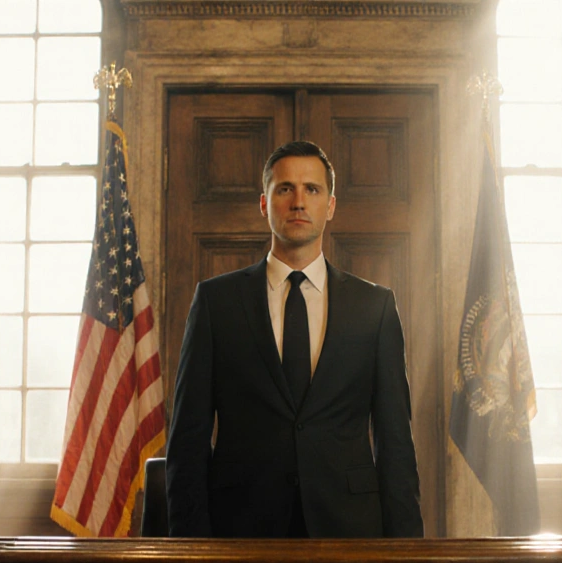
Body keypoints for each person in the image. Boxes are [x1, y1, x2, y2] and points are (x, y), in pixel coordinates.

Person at [165, 140, 424, 538]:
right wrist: (188, 552)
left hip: (350, 532)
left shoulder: (375, 307)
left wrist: (408, 557)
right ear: (264, 204)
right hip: (239, 531)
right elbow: (188, 438)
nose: (298, 202)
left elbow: (395, 444)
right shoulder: (216, 303)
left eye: (312, 190)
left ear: (331, 206)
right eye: (285, 189)